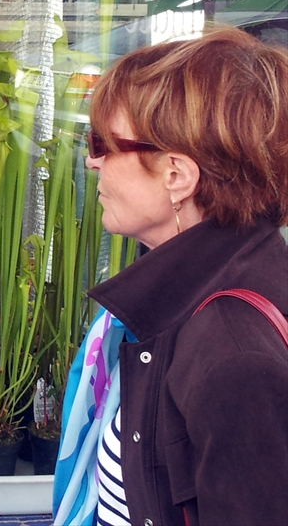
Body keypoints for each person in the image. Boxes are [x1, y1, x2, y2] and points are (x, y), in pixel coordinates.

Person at [53, 27, 288, 526]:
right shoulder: (181, 297)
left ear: (176, 175)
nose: (91, 161)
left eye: (102, 143)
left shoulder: (234, 359)